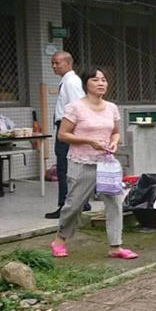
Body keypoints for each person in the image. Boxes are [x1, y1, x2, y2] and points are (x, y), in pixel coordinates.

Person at [49, 67, 137, 260]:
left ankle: (115, 246)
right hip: (82, 162)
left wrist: (114, 141)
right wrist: (89, 141)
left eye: (104, 80)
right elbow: (62, 135)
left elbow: (115, 131)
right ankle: (60, 239)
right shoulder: (75, 107)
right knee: (74, 204)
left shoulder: (112, 108)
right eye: (95, 80)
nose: (101, 83)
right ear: (86, 83)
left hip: (107, 163)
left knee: (114, 203)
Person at [45, 51, 89, 219]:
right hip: (67, 127)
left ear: (68, 63)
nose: (54, 66)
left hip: (68, 129)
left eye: (57, 63)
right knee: (72, 167)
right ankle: (82, 202)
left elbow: (78, 108)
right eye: (52, 63)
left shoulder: (71, 82)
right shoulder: (68, 81)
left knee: (64, 167)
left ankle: (65, 205)